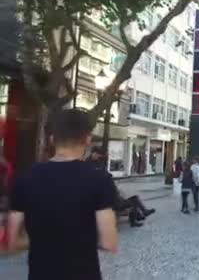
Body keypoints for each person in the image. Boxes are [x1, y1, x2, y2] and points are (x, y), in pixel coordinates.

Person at [7, 109, 118, 279]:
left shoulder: (24, 178)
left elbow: (13, 241)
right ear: (87, 139)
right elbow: (109, 242)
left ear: (52, 139)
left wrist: (44, 238)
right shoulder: (99, 180)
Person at [88, 148, 155, 227]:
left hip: (114, 202)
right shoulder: (94, 168)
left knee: (132, 199)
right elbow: (114, 195)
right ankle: (138, 217)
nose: (99, 157)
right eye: (98, 155)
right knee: (134, 200)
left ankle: (140, 215)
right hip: (115, 204)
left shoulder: (102, 178)